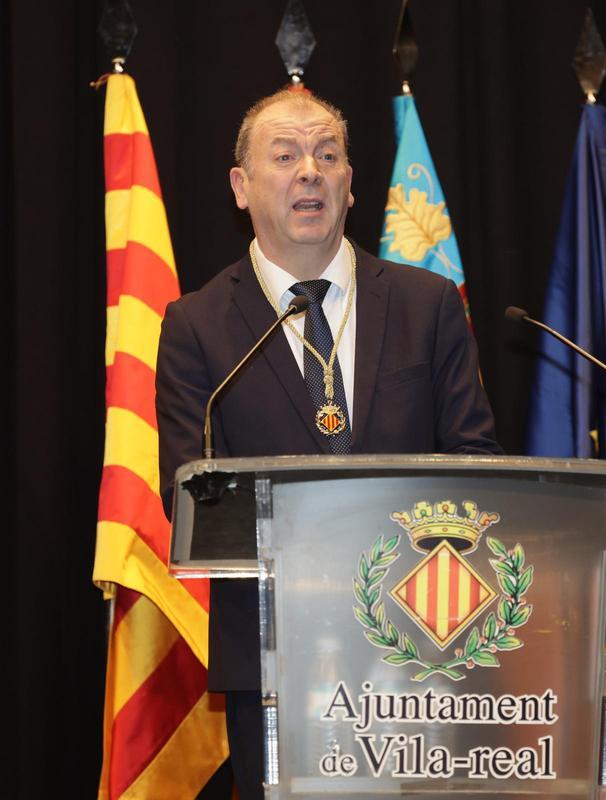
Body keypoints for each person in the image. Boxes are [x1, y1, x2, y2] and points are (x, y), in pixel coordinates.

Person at [156, 88, 501, 797]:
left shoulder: (426, 305)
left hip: (424, 649)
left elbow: (477, 467)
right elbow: (189, 496)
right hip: (273, 659)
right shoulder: (196, 326)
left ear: (349, 182)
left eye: (327, 154)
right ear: (241, 186)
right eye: (285, 156)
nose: (309, 170)